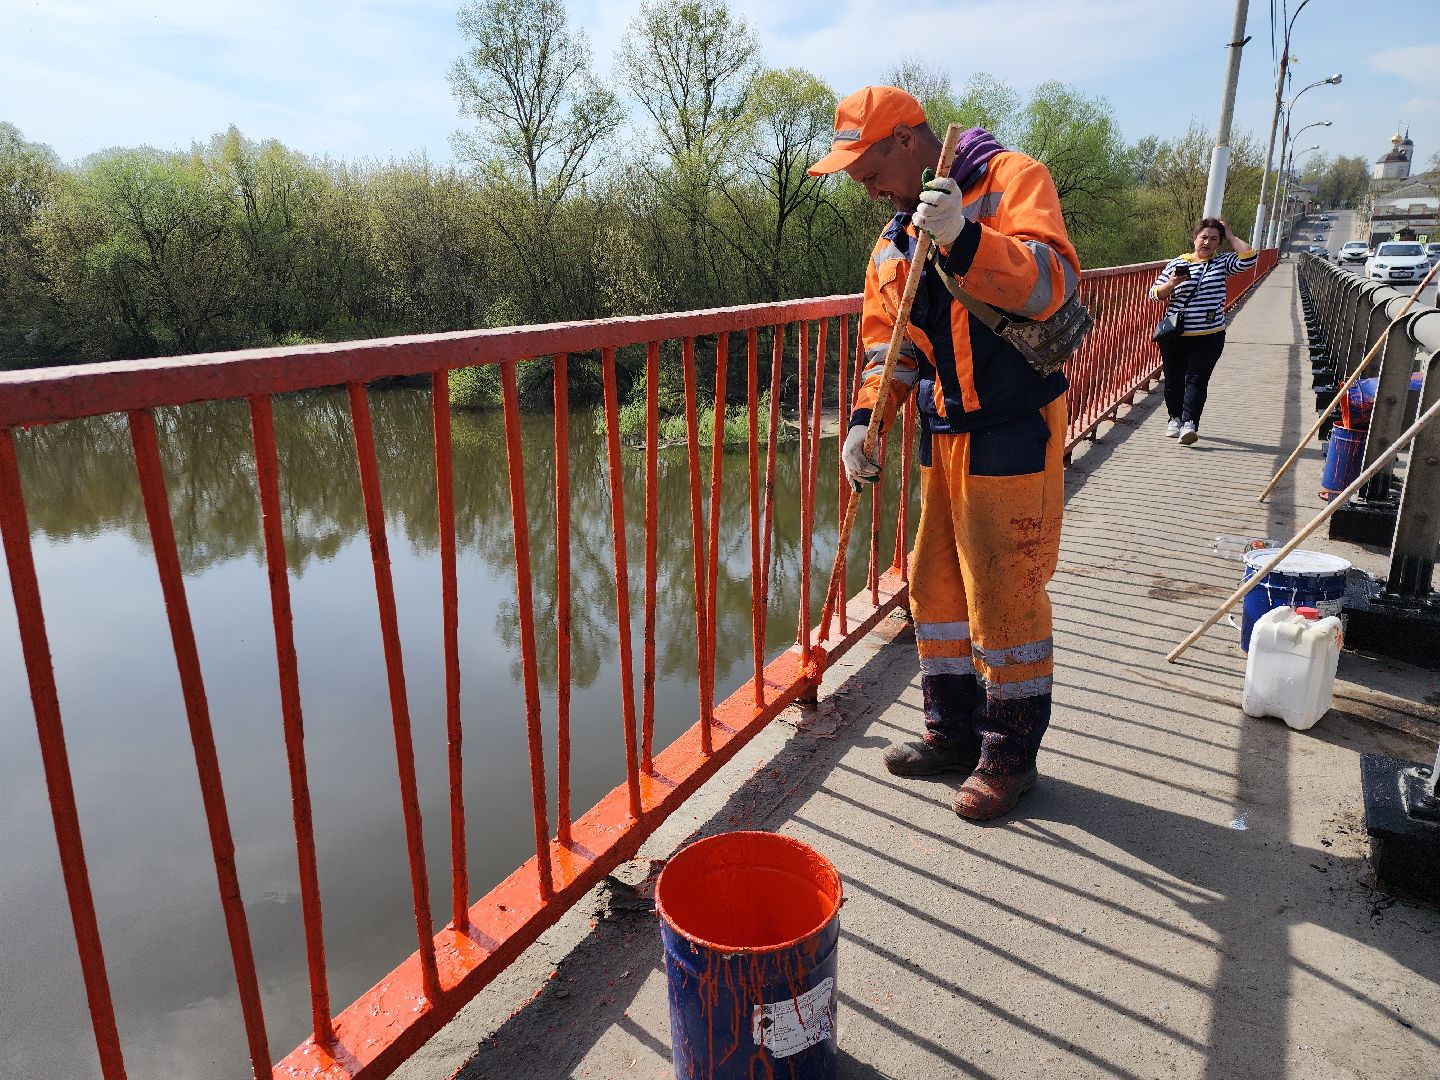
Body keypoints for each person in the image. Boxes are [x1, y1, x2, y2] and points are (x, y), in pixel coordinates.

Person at [808, 86, 1079, 821]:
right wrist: (864, 423)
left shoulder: (1012, 179)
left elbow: (1053, 283)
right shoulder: (894, 240)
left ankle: (1009, 757)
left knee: (1008, 594)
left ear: (906, 142)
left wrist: (965, 237)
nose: (863, 190)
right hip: (946, 431)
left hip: (1014, 424)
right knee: (940, 591)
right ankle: (953, 734)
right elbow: (885, 349)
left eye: (867, 172)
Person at [1150, 218, 1257, 445]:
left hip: (1209, 335)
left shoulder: (1222, 262)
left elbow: (1249, 256)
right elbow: (1154, 294)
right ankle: (1175, 418)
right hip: (1175, 336)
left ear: (1219, 243)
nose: (1207, 242)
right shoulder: (1179, 263)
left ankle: (1190, 424)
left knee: (1197, 380)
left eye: (1213, 239)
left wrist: (1229, 234)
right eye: (1204, 237)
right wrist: (1171, 284)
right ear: (1194, 238)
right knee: (1173, 380)